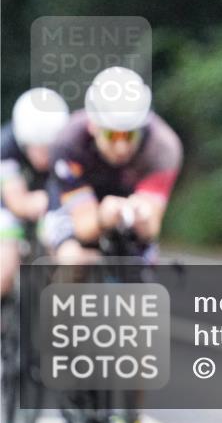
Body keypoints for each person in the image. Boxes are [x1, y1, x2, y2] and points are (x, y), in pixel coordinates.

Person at [43, 67, 183, 265]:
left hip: (127, 199)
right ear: (93, 126)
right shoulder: (68, 143)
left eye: (129, 135)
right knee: (72, 261)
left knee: (142, 268)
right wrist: (102, 218)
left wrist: (143, 216)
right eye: (112, 135)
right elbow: (84, 226)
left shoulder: (163, 148)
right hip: (79, 204)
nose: (121, 147)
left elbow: (151, 229)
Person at [0, 88, 69, 297]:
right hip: (7, 201)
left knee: (59, 244)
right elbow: (16, 202)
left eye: (49, 148)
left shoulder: (69, 145)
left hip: (50, 199)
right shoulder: (5, 146)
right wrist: (40, 202)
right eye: (37, 149)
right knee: (5, 267)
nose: (44, 156)